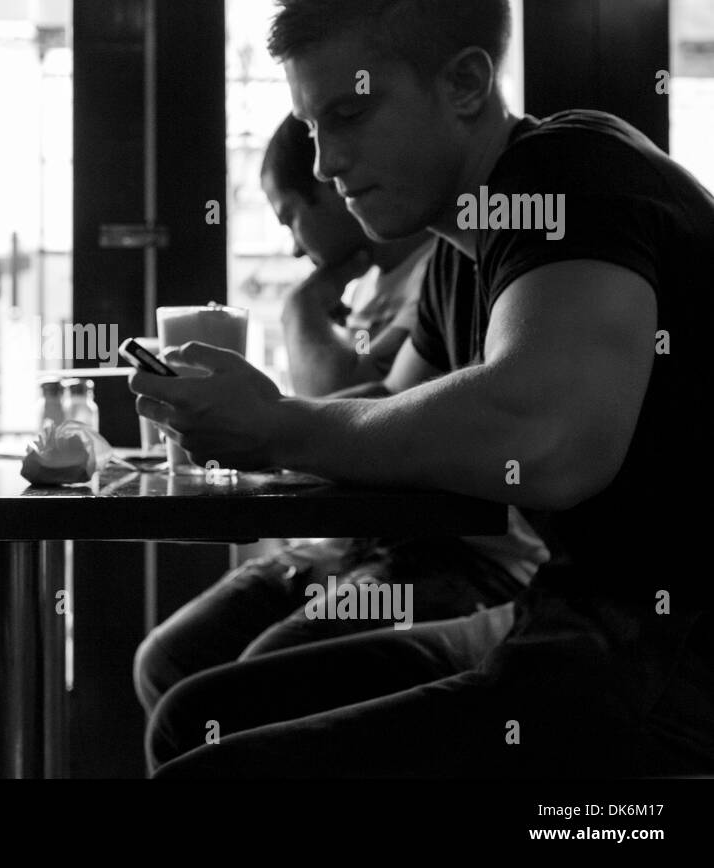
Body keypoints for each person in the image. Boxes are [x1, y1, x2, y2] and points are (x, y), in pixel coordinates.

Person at [133, 0, 714, 777]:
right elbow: (391, 418)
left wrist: (281, 428)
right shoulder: (460, 252)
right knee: (200, 712)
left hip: (670, 656)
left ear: (467, 83)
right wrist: (245, 410)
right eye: (312, 125)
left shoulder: (570, 176)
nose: (326, 163)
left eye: (352, 113)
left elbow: (546, 443)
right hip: (571, 620)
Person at [133, 114, 546, 721]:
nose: (295, 245)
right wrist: (263, 424)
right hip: (362, 541)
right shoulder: (427, 279)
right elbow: (375, 403)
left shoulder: (448, 262)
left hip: (468, 555)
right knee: (168, 660)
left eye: (291, 217)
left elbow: (350, 399)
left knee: (245, 690)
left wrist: (300, 312)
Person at [265, 112, 433, 396]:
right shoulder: (364, 290)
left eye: (291, 218)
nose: (295, 249)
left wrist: (301, 306)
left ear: (333, 186)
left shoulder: (438, 272)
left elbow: (342, 409)